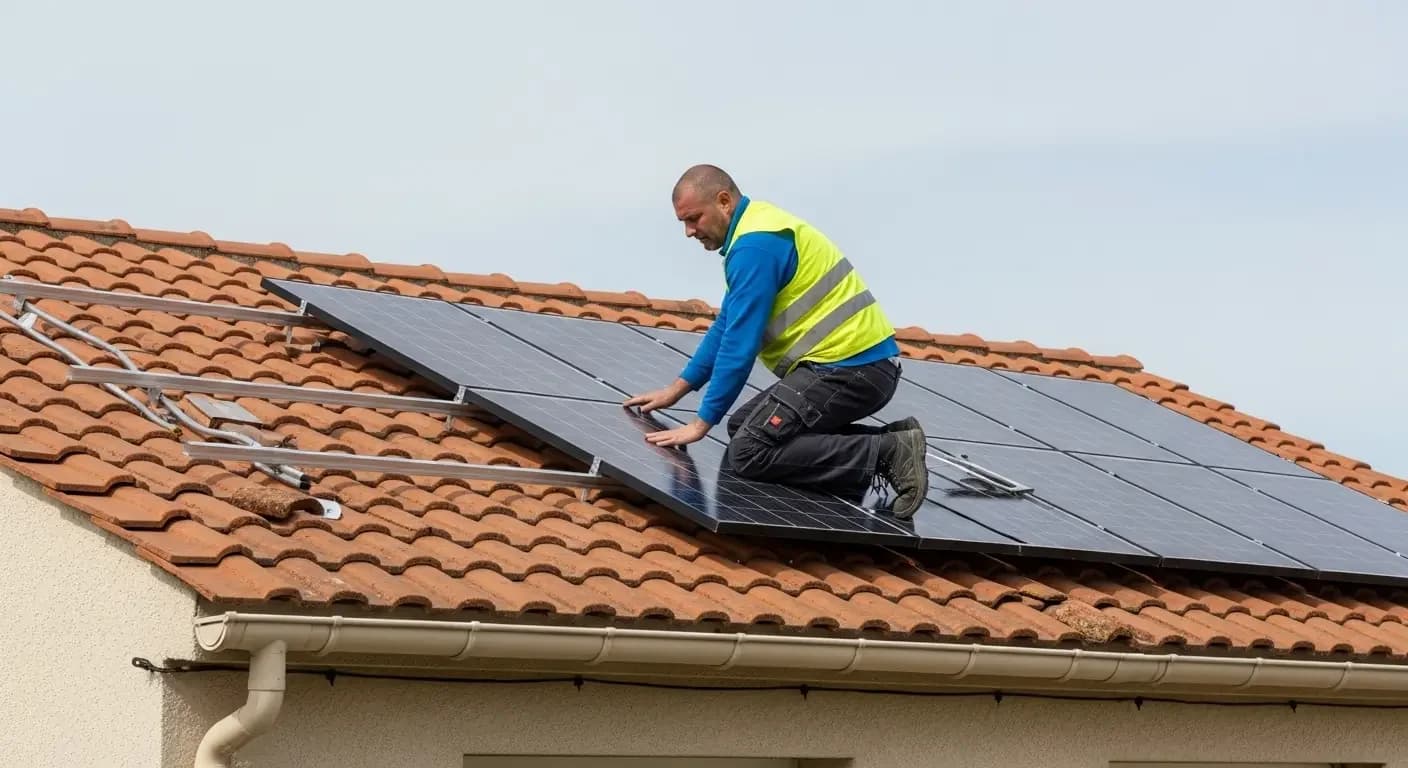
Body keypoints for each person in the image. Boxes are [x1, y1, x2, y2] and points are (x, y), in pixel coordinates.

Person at [624, 164, 930, 519]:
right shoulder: (756, 231)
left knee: (749, 450)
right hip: (851, 367)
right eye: (683, 223)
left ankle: (886, 452)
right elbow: (727, 325)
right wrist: (677, 389)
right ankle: (887, 445)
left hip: (851, 368)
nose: (689, 232)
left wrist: (701, 422)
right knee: (742, 428)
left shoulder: (756, 247)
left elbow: (740, 345)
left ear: (724, 201)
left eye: (693, 218)